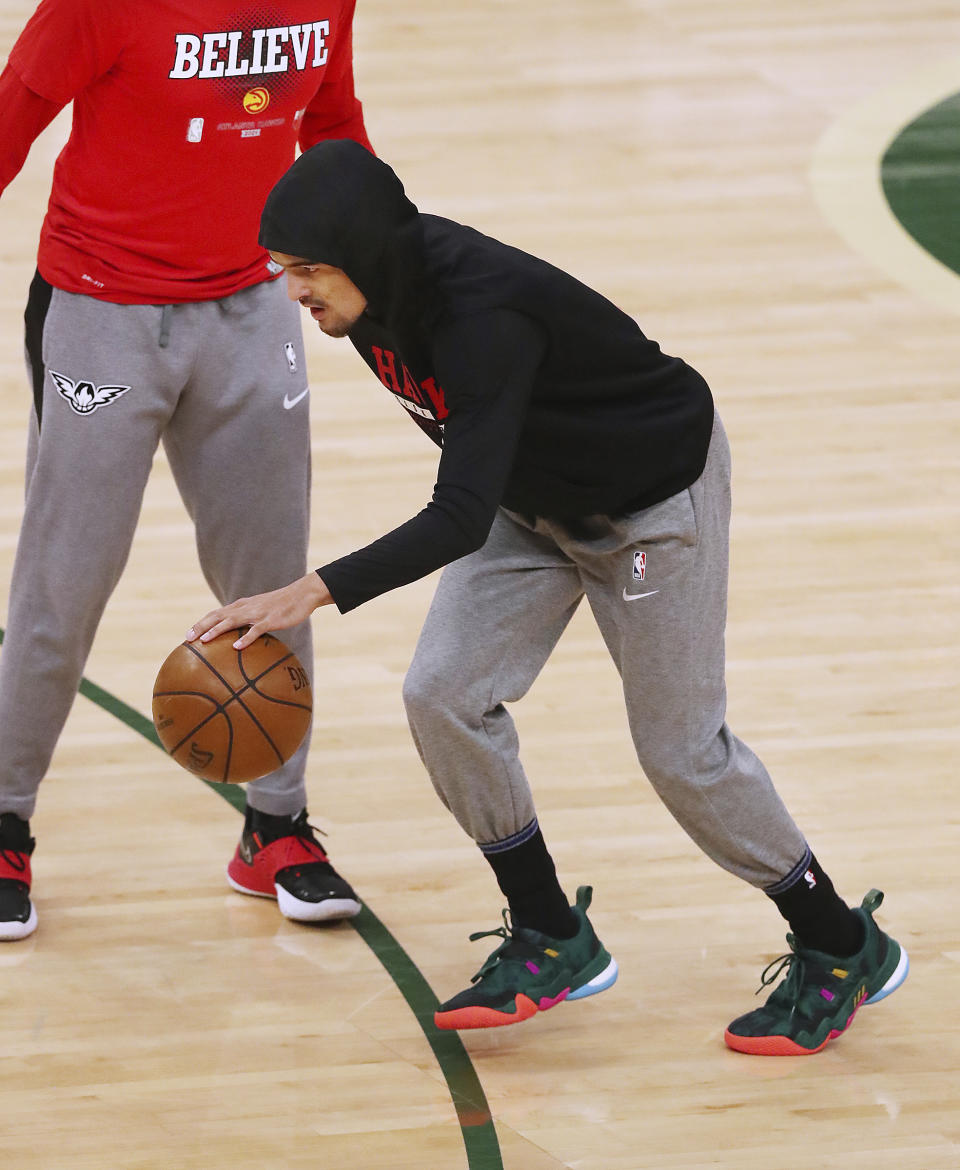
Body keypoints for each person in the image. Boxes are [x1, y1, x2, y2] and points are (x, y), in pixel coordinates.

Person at [187, 139, 910, 1054]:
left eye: (306, 272)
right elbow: (472, 472)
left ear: (359, 258)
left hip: (650, 507)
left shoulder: (482, 315)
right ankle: (549, 932)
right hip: (530, 505)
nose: (293, 293)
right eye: (283, 272)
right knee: (441, 694)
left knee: (682, 753)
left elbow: (453, 514)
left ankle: (842, 945)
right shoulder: (366, 303)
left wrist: (311, 591)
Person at [0, 1, 374, 942]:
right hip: (100, 309)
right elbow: (10, 115)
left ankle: (276, 827)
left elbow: (331, 124)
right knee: (64, 581)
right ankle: (4, 825)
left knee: (276, 578)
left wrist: (391, 264)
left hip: (252, 306)